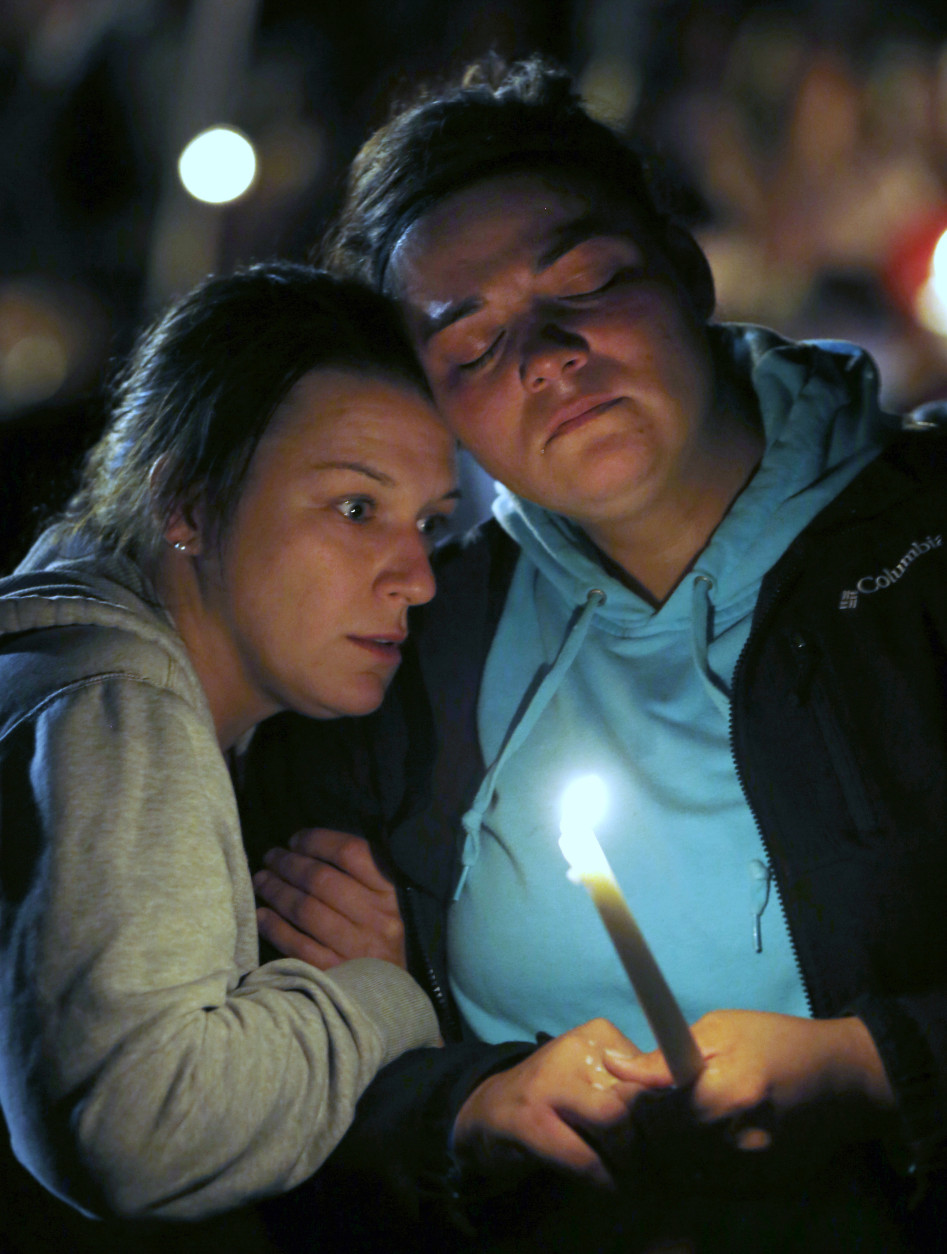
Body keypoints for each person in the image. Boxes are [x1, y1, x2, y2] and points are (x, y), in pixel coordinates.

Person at [242, 58, 947, 1252]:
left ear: (684, 268)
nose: (545, 353)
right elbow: (285, 1097)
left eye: (586, 281)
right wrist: (451, 1089)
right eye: (471, 345)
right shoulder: (404, 652)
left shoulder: (921, 541)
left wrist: (874, 1067)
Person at [0, 261, 462, 1251]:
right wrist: (383, 994)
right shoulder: (121, 707)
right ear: (189, 506)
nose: (418, 577)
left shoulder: (66, 665)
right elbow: (141, 1131)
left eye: (431, 523)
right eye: (355, 508)